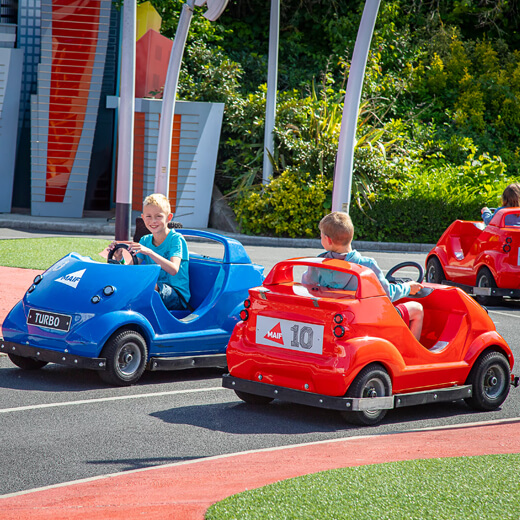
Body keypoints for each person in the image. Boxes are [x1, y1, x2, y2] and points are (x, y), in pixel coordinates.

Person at [303, 212, 424, 341]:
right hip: (367, 321)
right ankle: (412, 351)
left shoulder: (318, 264)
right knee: (417, 309)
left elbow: (307, 286)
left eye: (321, 236)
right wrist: (407, 288)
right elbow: (387, 294)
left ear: (328, 240)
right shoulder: (367, 265)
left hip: (333, 319)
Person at [109, 193, 190, 310]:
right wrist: (119, 258)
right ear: (143, 218)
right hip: (154, 290)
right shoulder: (145, 240)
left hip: (176, 295)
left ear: (169, 218)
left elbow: (174, 269)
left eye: (158, 216)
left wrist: (150, 252)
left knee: (146, 284)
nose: (153, 221)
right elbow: (131, 269)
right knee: (127, 282)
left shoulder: (176, 239)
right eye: (148, 216)